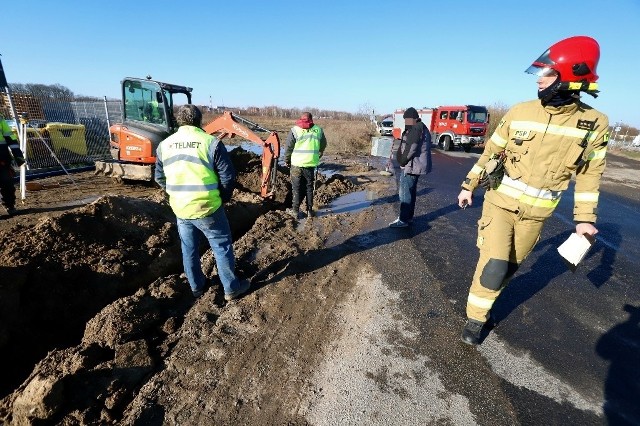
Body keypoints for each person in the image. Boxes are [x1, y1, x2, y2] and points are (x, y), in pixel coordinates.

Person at [457, 36, 609, 345]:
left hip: (536, 216)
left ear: (571, 77)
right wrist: (468, 185)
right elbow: (490, 155)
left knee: (511, 267)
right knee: (494, 266)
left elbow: (590, 175)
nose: (540, 80)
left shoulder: (595, 124)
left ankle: (486, 307)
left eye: (549, 73)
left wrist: (584, 218)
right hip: (499, 204)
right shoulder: (519, 112)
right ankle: (475, 320)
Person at [155, 104, 250, 301]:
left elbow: (159, 177)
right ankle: (231, 288)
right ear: (199, 120)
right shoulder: (211, 143)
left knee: (188, 248)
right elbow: (228, 176)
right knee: (221, 245)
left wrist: (175, 194)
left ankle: (197, 287)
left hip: (181, 209)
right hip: (208, 207)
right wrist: (222, 198)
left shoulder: (164, 145)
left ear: (179, 121)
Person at [388, 107, 432, 228]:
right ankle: (408, 217)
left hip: (411, 167)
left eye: (406, 119)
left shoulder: (416, 129)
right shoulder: (420, 127)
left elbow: (411, 148)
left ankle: (403, 220)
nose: (405, 122)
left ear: (411, 119)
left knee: (405, 193)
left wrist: (402, 161)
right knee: (410, 192)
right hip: (414, 166)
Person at [283, 112, 327, 219]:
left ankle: (295, 211)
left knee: (296, 188)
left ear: (300, 119)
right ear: (312, 119)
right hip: (310, 164)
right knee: (309, 188)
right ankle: (309, 211)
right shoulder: (318, 130)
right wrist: (319, 153)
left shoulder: (295, 130)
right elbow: (323, 144)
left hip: (296, 165)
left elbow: (288, 147)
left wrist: (287, 160)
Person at [0, 116, 26, 216]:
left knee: (7, 184)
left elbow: (10, 138)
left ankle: (10, 206)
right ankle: (10, 206)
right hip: (2, 157)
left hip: (2, 158)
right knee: (7, 183)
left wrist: (18, 156)